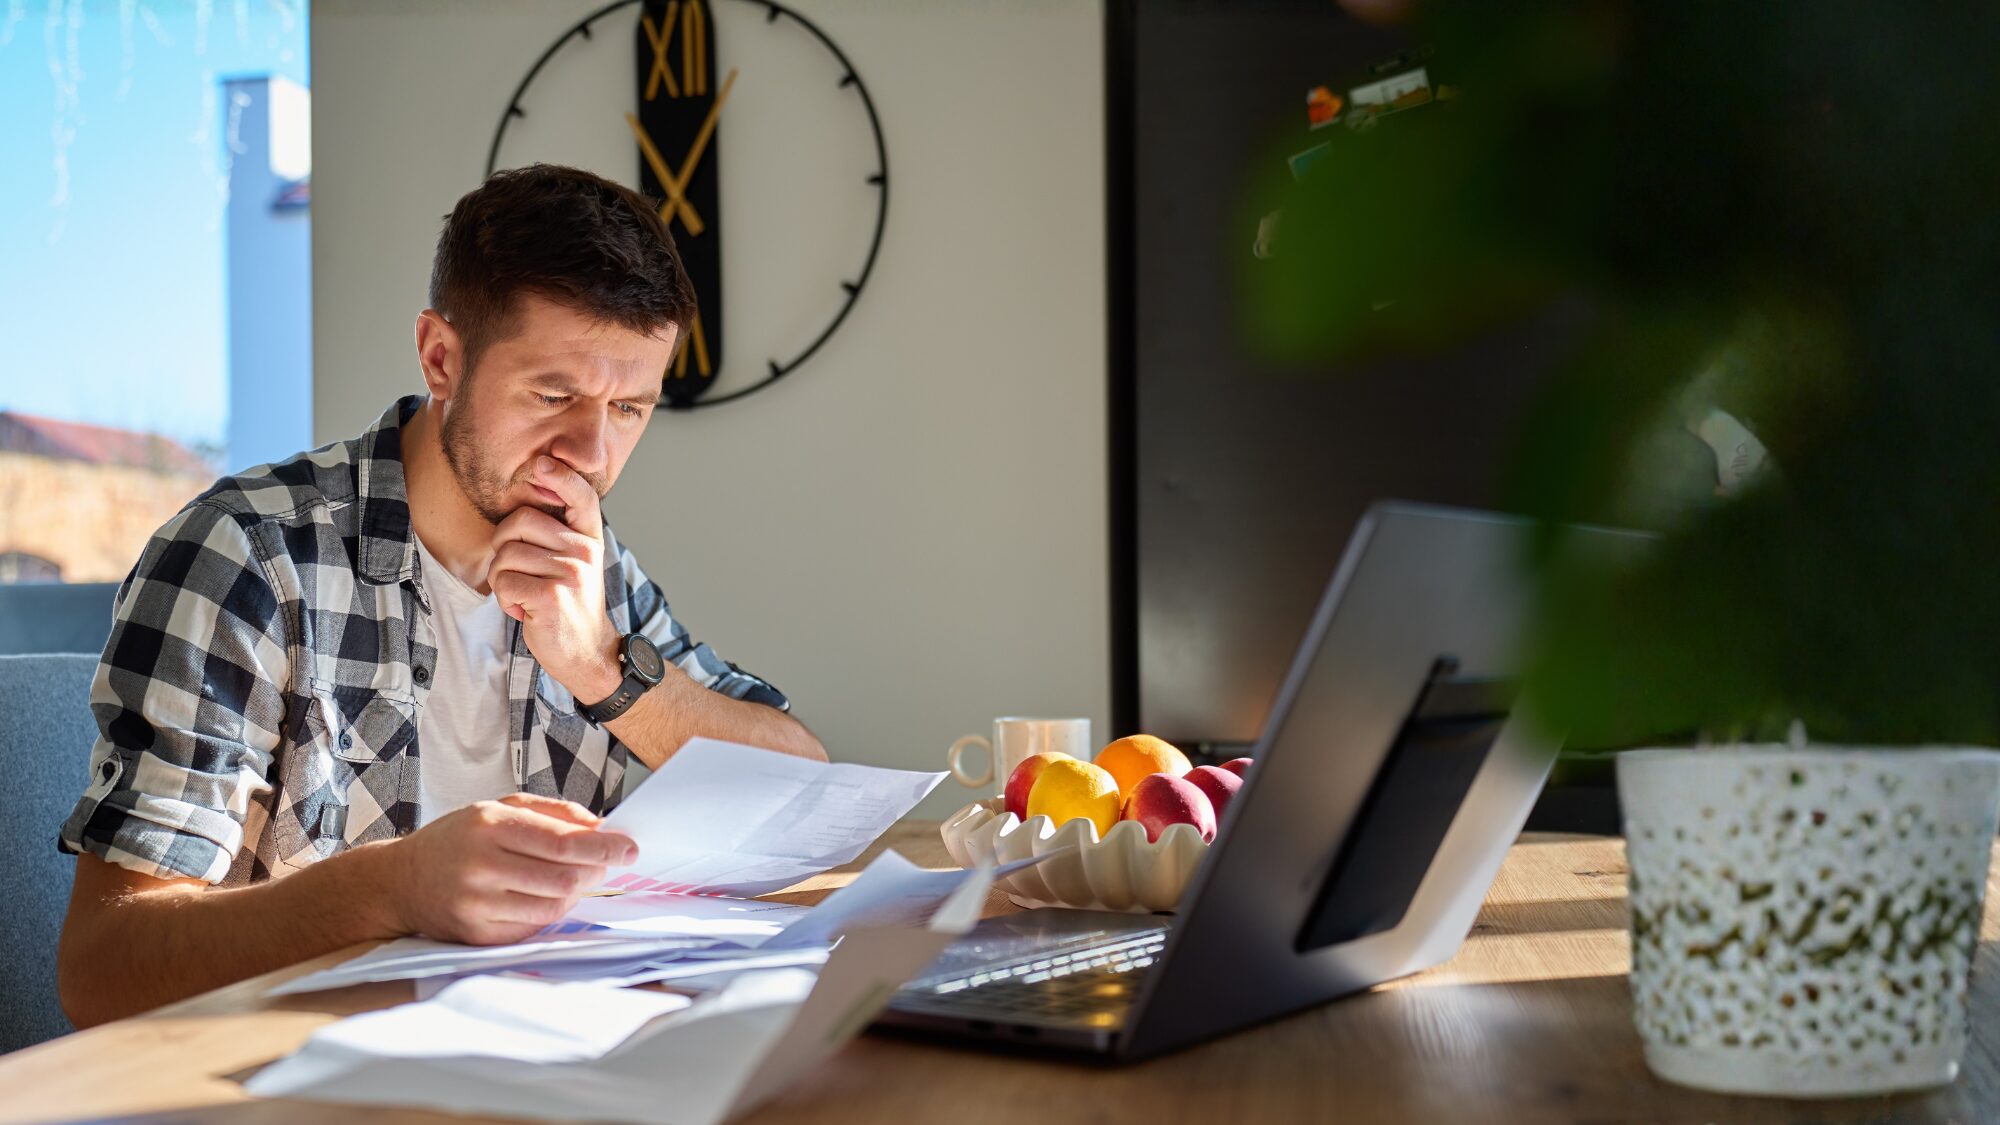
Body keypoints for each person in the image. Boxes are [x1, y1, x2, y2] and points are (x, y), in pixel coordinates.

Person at [55, 164, 825, 1028]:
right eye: (553, 395)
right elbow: (105, 968)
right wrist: (394, 886)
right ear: (441, 357)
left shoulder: (588, 567)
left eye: (629, 409)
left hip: (558, 1061)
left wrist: (608, 669)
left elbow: (806, 791)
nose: (592, 455)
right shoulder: (246, 557)